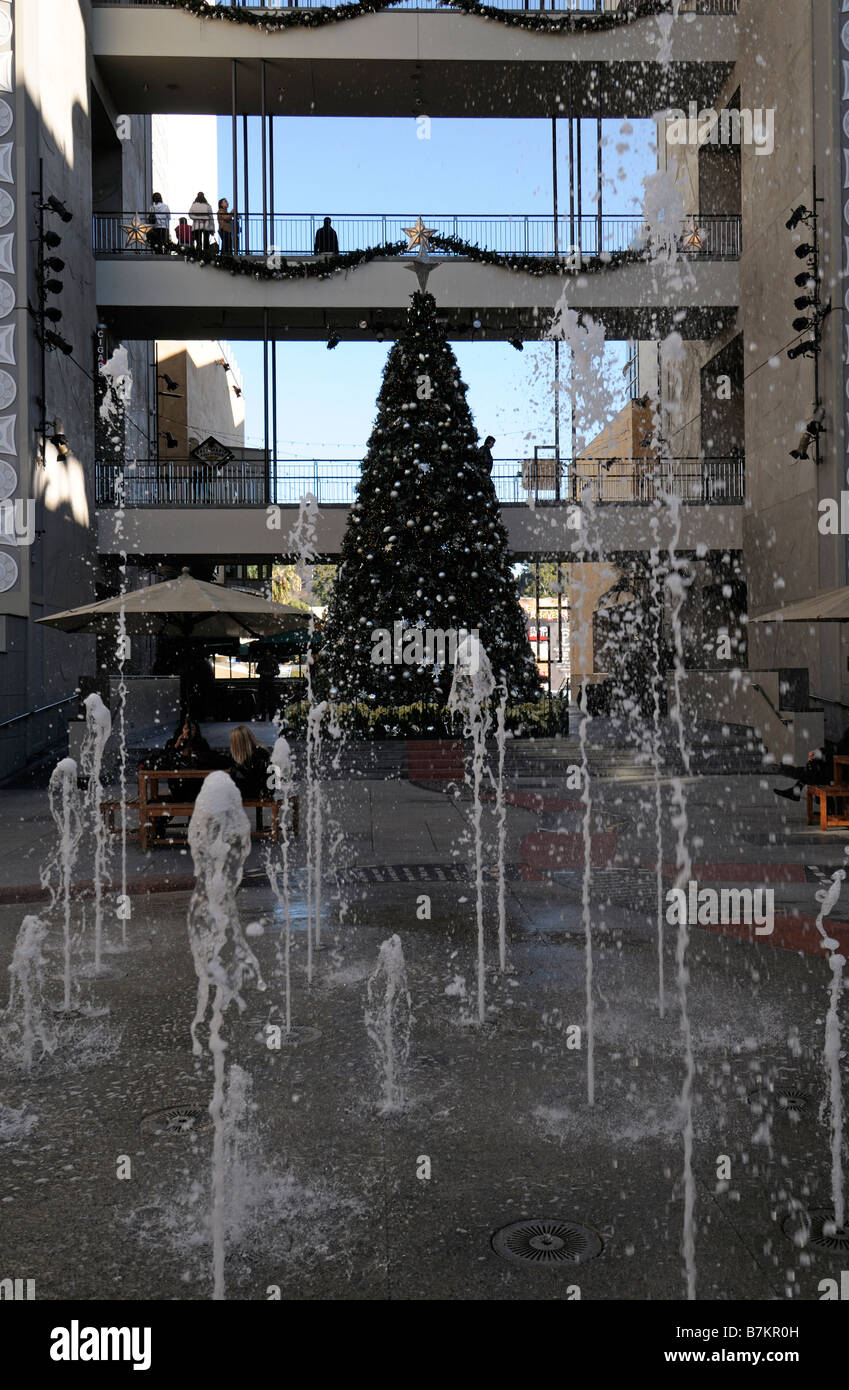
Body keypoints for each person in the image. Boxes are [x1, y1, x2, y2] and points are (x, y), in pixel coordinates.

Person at [773, 725, 849, 801]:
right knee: (814, 765)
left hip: (843, 770)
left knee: (814, 769)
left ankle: (797, 789)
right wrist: (820, 752)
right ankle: (797, 789)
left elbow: (840, 751)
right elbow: (839, 747)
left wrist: (822, 752)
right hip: (839, 767)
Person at [227, 725, 270, 799]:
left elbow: (253, 779)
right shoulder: (260, 751)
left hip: (257, 791)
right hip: (262, 790)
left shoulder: (257, 755)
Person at [255, 646, 280, 722]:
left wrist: (271, 673)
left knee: (271, 701)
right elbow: (257, 671)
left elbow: (278, 671)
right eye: (266, 652)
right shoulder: (262, 661)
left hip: (269, 682)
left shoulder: (273, 661)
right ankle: (264, 717)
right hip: (263, 682)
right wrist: (264, 673)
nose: (267, 653)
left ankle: (271, 717)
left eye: (268, 652)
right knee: (263, 701)